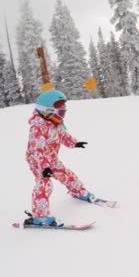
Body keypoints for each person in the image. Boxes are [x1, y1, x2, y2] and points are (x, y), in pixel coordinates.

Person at [25, 89, 95, 226]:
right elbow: (37, 150)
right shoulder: (37, 128)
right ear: (47, 110)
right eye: (60, 111)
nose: (63, 115)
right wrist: (44, 168)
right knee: (45, 184)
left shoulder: (55, 123)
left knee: (66, 174)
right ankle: (40, 216)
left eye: (64, 111)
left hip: (51, 158)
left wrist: (74, 143)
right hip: (38, 161)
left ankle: (79, 191)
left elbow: (63, 136)